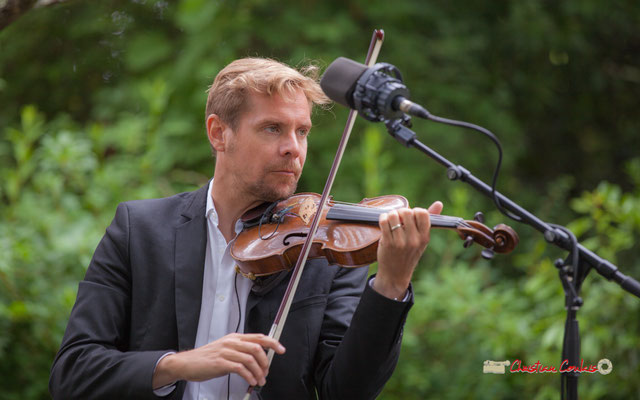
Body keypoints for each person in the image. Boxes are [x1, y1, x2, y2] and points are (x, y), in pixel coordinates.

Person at [49, 57, 443, 400]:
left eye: (301, 131)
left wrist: (391, 284)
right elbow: (73, 372)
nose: (294, 147)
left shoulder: (329, 246)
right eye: (273, 128)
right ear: (219, 133)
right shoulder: (139, 231)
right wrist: (179, 364)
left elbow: (348, 391)